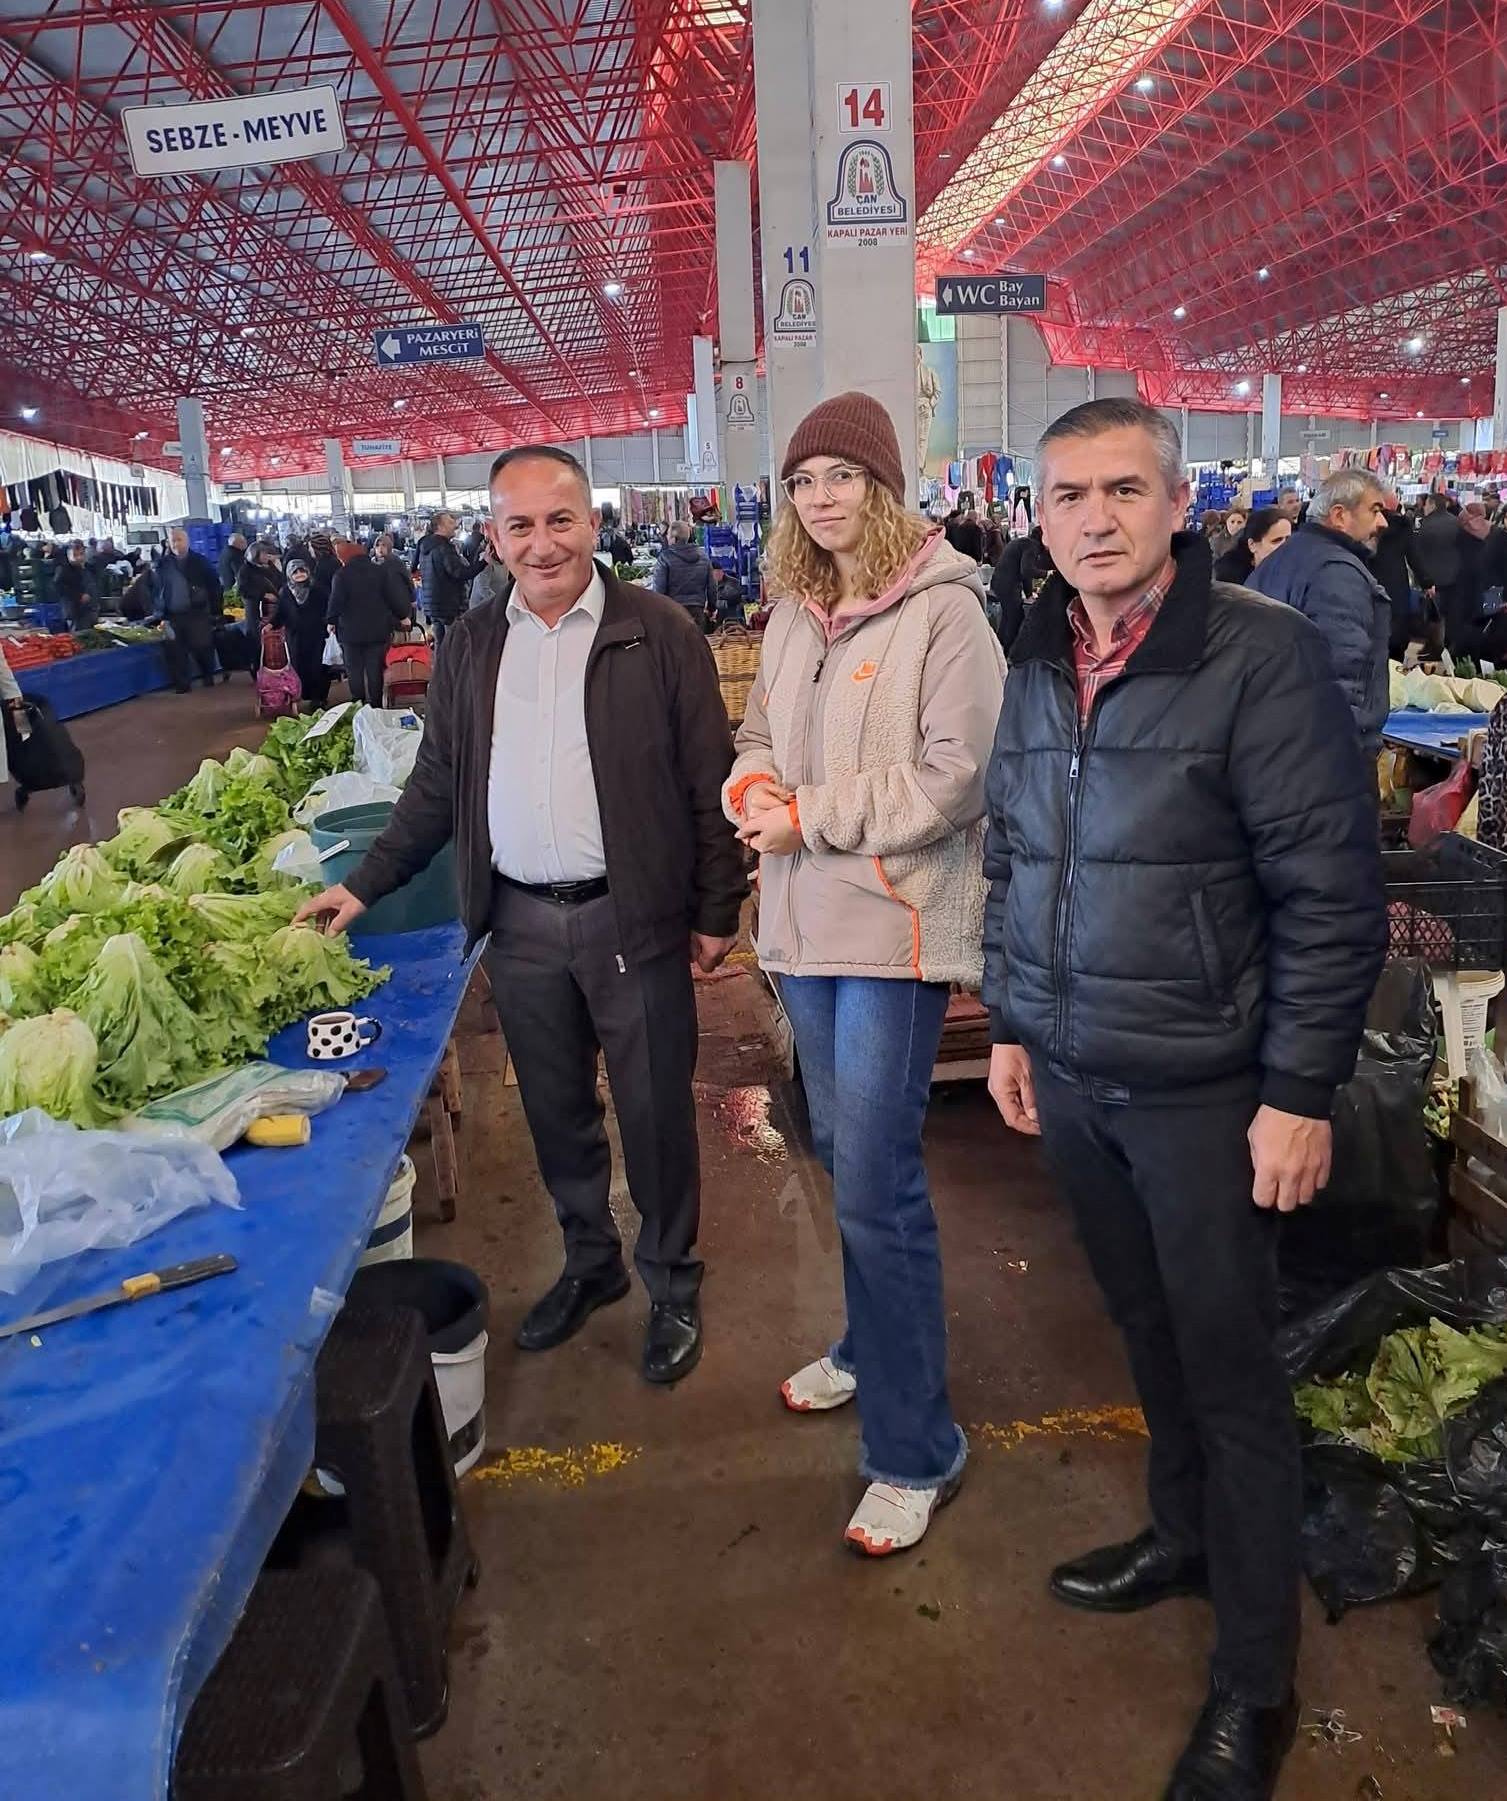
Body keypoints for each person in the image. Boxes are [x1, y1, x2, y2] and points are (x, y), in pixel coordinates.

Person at [983, 397, 1387, 1801]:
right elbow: (1012, 854)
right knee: (1145, 1331)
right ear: (1037, 517)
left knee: (1232, 1374)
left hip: (1205, 1091)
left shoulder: (1256, 656)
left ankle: (1254, 1681)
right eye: (1066, 495)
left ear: (1175, 505)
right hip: (1074, 1074)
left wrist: (1295, 1091)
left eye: (1120, 490)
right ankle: (1182, 1537)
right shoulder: (1036, 652)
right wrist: (1013, 1022)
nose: (1092, 518)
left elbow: (1330, 894)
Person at [296, 446, 744, 1384]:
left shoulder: (656, 632)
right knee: (555, 1108)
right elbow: (437, 783)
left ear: (593, 524)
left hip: (633, 919)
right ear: (493, 538)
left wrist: (716, 908)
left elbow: (709, 780)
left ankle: (671, 1281)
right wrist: (363, 883)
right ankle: (591, 1261)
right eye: (520, 525)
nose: (543, 544)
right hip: (521, 922)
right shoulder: (471, 643)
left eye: (560, 520)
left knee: (656, 1113)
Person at [725, 392, 1005, 1556]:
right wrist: (751, 790)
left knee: (879, 1183)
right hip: (801, 935)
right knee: (842, 1156)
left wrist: (809, 819)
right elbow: (758, 738)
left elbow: (954, 779)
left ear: (884, 488)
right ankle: (864, 1342)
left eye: (841, 475)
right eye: (802, 481)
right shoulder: (797, 615)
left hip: (892, 937)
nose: (820, 498)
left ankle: (915, 1447)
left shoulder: (948, 614)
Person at [1245, 468, 1391, 761]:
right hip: (1318, 755)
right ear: (1339, 515)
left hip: (1269, 745)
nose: (1382, 522)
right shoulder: (1335, 572)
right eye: (1375, 510)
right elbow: (1339, 674)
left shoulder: (1279, 561)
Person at [326, 541, 413, 705]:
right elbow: (393, 596)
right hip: (377, 629)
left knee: (354, 670)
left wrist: (331, 620)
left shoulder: (341, 575)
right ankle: (376, 704)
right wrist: (403, 616)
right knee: (375, 669)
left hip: (350, 632)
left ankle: (358, 703)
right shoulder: (380, 571)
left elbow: (335, 601)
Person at [152, 526, 222, 692]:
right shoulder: (162, 564)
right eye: (173, 541)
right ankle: (182, 684)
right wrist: (158, 612)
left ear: (187, 541)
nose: (176, 544)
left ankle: (207, 675)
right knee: (175, 651)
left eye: (179, 540)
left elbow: (214, 586)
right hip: (172, 615)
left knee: (202, 646)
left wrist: (216, 611)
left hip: (197, 613)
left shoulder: (201, 562)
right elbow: (155, 589)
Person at [274, 558, 332, 709]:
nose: (299, 574)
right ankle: (303, 694)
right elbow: (280, 612)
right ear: (289, 574)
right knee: (299, 666)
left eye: (302, 571)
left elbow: (328, 609)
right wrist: (271, 625)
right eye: (295, 572)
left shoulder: (318, 590)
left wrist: (329, 623)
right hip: (295, 636)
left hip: (317, 635)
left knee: (318, 666)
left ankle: (319, 697)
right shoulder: (285, 592)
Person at [988, 522, 1054, 656]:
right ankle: (1009, 653)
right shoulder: (1031, 546)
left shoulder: (1023, 543)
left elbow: (1024, 573)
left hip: (1000, 582)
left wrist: (1029, 594)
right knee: (1015, 617)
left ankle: (998, 649)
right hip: (1009, 584)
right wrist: (1047, 574)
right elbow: (1027, 570)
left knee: (1007, 618)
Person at [417, 510, 479, 649]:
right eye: (450, 522)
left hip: (432, 605)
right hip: (449, 606)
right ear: (440, 526)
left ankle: (439, 664)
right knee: (456, 647)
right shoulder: (444, 548)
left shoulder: (425, 547)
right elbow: (459, 573)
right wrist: (483, 563)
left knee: (440, 645)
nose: (455, 526)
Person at [1413, 490, 1465, 647]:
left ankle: (1433, 647)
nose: (1424, 507)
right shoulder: (1457, 522)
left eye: (1427, 504)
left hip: (1431, 578)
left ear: (1433, 505)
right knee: (1448, 614)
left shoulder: (1424, 524)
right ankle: (1446, 647)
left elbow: (1417, 552)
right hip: (1453, 577)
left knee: (1433, 615)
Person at [647, 521, 718, 622]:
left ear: (674, 539)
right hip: (697, 612)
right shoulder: (704, 557)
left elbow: (659, 589)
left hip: (673, 613)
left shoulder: (665, 558)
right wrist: (712, 608)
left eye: (668, 535)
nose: (666, 537)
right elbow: (712, 587)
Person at [1212, 505, 1291, 585]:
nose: (1285, 546)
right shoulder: (1231, 579)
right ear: (1252, 545)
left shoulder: (1293, 573)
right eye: (1276, 541)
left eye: (1289, 539)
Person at [55, 540, 101, 631]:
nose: (79, 557)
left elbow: (94, 584)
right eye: (75, 555)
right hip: (74, 609)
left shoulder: (89, 567)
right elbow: (60, 588)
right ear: (69, 554)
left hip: (91, 608)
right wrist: (79, 596)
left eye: (81, 554)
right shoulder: (63, 569)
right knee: (77, 633)